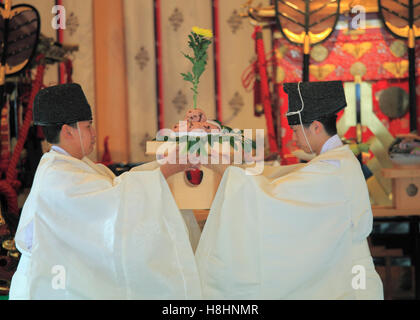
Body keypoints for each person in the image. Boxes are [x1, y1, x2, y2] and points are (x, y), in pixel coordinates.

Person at [9, 83, 202, 299]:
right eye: (88, 126)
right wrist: (167, 169)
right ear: (67, 131)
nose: (93, 133)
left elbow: (116, 186)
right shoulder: (57, 175)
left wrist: (164, 166)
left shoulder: (69, 164)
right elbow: (113, 201)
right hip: (50, 281)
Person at [195, 80, 384, 299]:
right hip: (344, 264)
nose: (294, 138)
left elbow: (271, 195)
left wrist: (223, 168)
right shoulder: (337, 161)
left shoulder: (333, 169)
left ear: (315, 126)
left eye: (295, 131)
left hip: (347, 274)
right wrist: (230, 166)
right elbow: (277, 177)